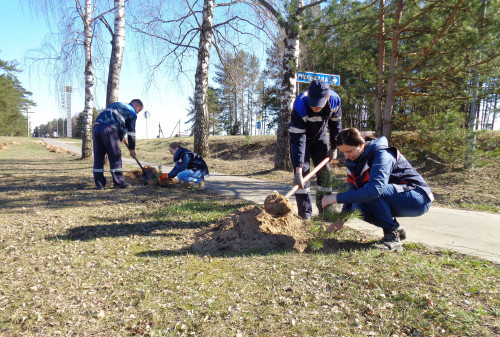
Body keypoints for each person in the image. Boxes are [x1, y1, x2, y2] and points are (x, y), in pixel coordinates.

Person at [321, 128, 434, 252]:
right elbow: (353, 189)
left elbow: (374, 190)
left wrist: (336, 198)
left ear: (361, 145)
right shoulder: (352, 162)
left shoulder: (382, 154)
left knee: (370, 191)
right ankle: (396, 229)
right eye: (343, 152)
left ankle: (391, 238)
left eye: (349, 151)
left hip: (417, 197)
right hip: (395, 195)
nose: (346, 156)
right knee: (357, 207)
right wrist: (341, 219)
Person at [289, 79, 342, 219]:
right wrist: (298, 171)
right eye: (313, 103)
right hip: (302, 138)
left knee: (325, 173)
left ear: (328, 97)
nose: (315, 107)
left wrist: (334, 147)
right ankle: (305, 214)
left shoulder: (335, 101)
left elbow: (336, 126)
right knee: (303, 175)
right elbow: (298, 141)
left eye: (319, 104)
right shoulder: (300, 105)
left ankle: (325, 211)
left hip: (321, 136)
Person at [92, 99, 143, 189]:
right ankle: (119, 183)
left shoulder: (117, 104)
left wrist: (121, 136)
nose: (138, 113)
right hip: (109, 130)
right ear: (136, 105)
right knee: (115, 157)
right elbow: (131, 132)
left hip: (96, 128)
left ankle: (99, 185)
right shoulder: (131, 112)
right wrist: (132, 149)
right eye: (139, 110)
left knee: (98, 158)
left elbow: (117, 120)